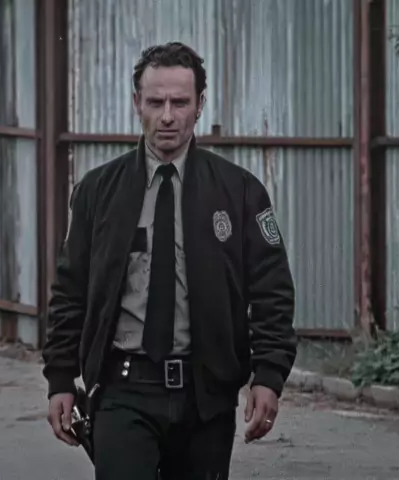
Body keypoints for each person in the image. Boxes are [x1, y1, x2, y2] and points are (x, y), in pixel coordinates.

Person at [42, 41, 297, 479]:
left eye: (179, 103)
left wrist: (268, 376)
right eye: (155, 102)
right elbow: (70, 290)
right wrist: (61, 379)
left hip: (206, 398)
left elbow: (272, 290)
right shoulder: (97, 192)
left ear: (199, 105)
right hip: (122, 392)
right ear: (136, 103)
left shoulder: (239, 192)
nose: (167, 116)